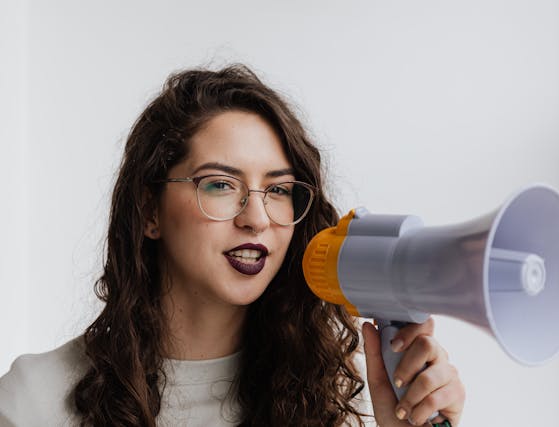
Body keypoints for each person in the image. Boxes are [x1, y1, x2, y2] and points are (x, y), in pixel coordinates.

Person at [0, 65, 465, 426]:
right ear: (149, 211)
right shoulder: (36, 401)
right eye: (221, 184)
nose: (257, 218)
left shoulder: (345, 401)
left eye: (279, 190)